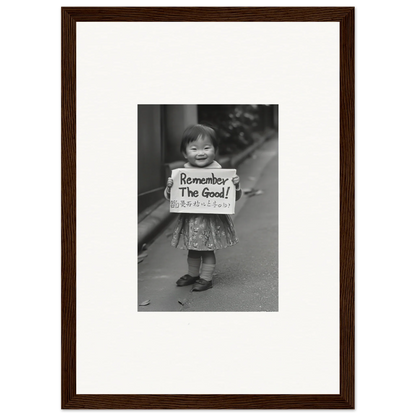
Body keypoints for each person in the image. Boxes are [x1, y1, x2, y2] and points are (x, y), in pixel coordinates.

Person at [164, 124, 242, 292]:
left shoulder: (219, 172)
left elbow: (232, 197)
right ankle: (192, 274)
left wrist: (236, 186)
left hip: (210, 220)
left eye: (206, 148)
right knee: (192, 249)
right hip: (191, 220)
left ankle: (206, 278)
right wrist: (170, 187)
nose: (201, 152)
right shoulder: (182, 173)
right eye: (194, 148)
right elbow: (173, 198)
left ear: (215, 150)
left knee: (207, 249)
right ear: (185, 153)